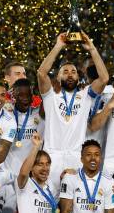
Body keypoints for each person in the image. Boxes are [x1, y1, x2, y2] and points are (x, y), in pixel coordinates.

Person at [36, 32, 109, 189]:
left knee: (74, 206)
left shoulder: (85, 95)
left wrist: (92, 49)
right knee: (49, 203)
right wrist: (58, 46)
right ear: (58, 77)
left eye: (73, 72)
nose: (70, 74)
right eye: (65, 71)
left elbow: (104, 79)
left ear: (78, 77)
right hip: (51, 156)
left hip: (76, 157)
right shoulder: (50, 96)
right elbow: (41, 73)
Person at [2, 78, 45, 213]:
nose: (25, 98)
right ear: (13, 94)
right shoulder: (5, 115)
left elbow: (50, 93)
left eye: (28, 94)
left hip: (27, 177)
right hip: (6, 175)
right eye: (20, 94)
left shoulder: (39, 115)